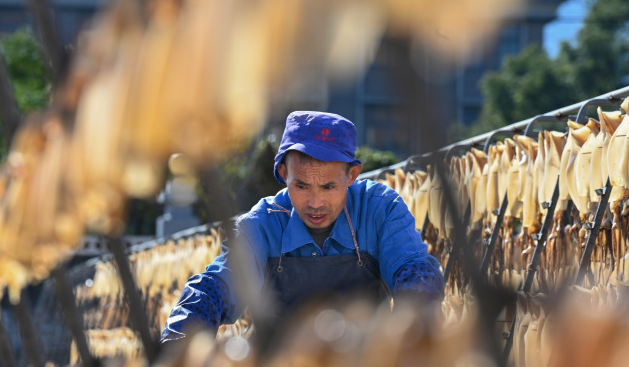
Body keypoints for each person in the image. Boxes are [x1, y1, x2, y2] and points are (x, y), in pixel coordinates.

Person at [161, 111, 444, 341]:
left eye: (329, 186)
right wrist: (180, 339)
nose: (316, 202)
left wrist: (407, 327)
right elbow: (218, 285)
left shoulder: (381, 209)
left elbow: (415, 270)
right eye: (302, 185)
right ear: (283, 173)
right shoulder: (263, 222)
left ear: (352, 175)